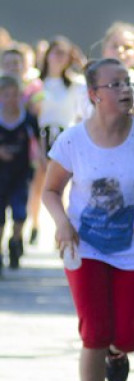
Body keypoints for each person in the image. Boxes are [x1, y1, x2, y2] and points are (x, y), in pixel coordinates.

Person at [42, 57, 134, 381]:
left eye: (127, 83)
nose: (125, 90)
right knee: (94, 332)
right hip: (87, 246)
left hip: (131, 246)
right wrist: (62, 222)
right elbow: (50, 190)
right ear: (94, 95)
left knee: (132, 335)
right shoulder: (72, 141)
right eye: (114, 85)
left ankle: (118, 352)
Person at [26, 36, 85, 248]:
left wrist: (82, 63)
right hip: (41, 138)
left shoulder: (75, 84)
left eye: (64, 54)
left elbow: (93, 84)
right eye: (55, 52)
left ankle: (61, 228)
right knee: (39, 185)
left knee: (65, 188)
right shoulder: (36, 83)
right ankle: (34, 224)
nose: (59, 58)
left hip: (66, 139)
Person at [81, 23, 134, 143]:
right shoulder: (88, 83)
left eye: (127, 47)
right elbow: (78, 123)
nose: (120, 51)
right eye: (114, 46)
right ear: (104, 50)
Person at [0, 74, 40, 273]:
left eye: (15, 95)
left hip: (21, 173)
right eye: (6, 95)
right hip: (1, 175)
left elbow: (39, 144)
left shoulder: (28, 119)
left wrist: (41, 160)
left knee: (19, 213)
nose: (11, 99)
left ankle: (15, 241)